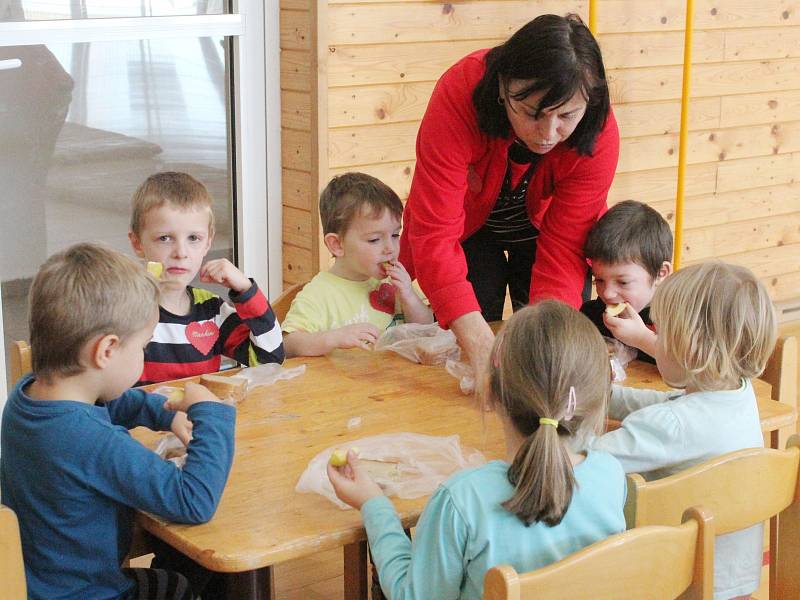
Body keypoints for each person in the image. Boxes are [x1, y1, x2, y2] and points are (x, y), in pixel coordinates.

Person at [328, 301, 626, 599]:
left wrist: (373, 505)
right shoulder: (610, 474)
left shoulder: (461, 500)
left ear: (492, 393)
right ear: (596, 399)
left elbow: (414, 596)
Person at [0, 243, 236, 600]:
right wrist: (213, 414)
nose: (143, 356)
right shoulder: (93, 441)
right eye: (142, 347)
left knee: (181, 564)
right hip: (90, 594)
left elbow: (103, 398)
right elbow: (194, 501)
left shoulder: (26, 398)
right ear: (106, 350)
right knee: (193, 579)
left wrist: (162, 413)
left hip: (42, 585)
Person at [398, 13, 620, 375]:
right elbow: (435, 230)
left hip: (541, 229)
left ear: (589, 103)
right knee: (468, 335)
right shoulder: (461, 90)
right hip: (469, 226)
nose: (548, 133)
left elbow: (565, 247)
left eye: (566, 115)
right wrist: (478, 343)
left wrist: (544, 346)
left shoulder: (599, 132)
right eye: (533, 113)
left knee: (546, 346)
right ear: (503, 88)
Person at [590, 261, 777, 600]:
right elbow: (665, 406)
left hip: (682, 584)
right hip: (733, 579)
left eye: (661, 333)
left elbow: (587, 462)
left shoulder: (674, 424)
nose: (655, 341)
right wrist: (603, 395)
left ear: (690, 348)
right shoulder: (736, 391)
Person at [129, 171, 284, 384]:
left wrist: (246, 291)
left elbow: (271, 360)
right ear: (137, 243)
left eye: (193, 238)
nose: (181, 252)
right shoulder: (122, 307)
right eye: (165, 238)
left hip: (202, 416)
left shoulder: (212, 310)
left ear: (208, 243)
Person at [282, 172, 433, 357]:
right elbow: (289, 344)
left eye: (395, 235)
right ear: (337, 245)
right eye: (374, 239)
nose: (390, 248)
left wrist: (409, 296)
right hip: (342, 384)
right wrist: (334, 338)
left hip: (396, 382)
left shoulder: (396, 284)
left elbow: (426, 329)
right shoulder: (319, 293)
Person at [580, 200, 673, 363]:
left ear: (660, 273)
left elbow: (699, 371)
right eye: (599, 280)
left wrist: (642, 339)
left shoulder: (679, 320)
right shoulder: (594, 315)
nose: (607, 293)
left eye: (623, 282)